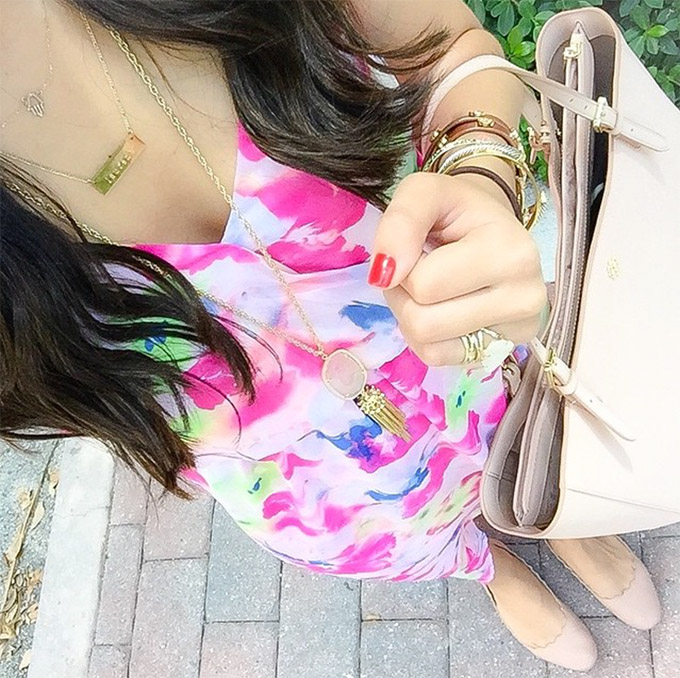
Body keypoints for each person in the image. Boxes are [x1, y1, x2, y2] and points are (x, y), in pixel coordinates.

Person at [0, 1, 661, 671]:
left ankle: (550, 511)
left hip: (465, 351)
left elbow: (451, 46)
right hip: (317, 493)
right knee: (415, 538)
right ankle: (483, 565)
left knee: (531, 449)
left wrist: (480, 178)